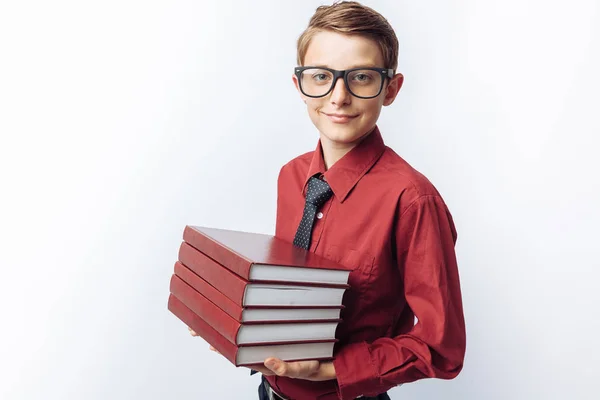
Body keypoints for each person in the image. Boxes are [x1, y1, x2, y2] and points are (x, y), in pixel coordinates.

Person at [190, 1, 466, 399]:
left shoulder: (413, 201)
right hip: (269, 391)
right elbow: (287, 291)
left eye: (361, 77)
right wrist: (223, 318)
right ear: (299, 84)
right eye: (321, 76)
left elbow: (442, 348)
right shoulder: (292, 176)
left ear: (391, 88)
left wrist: (331, 370)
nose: (338, 97)